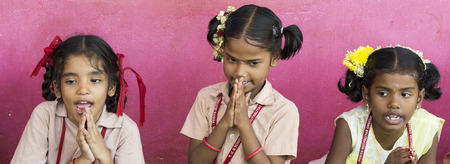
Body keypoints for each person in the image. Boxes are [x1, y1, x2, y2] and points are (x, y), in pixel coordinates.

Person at [180, 4, 303, 164]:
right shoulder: (207, 98)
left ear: (274, 58)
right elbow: (195, 161)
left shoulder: (283, 112)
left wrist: (244, 124)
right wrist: (224, 123)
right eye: (231, 59)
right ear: (222, 50)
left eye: (253, 63)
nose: (239, 72)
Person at [12, 35, 146, 164]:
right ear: (57, 89)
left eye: (94, 80)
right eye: (71, 81)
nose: (82, 89)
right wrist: (83, 160)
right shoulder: (44, 117)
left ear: (111, 87)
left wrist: (104, 157)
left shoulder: (126, 131)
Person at [325, 46, 445, 163]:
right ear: (366, 95)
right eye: (383, 93)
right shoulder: (351, 126)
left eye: (405, 94)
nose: (394, 104)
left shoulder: (427, 127)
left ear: (419, 98)